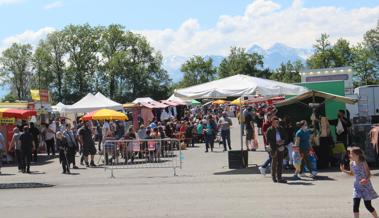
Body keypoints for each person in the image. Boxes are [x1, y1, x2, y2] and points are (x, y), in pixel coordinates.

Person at [340, 147, 378, 218]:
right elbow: (352, 173)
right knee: (355, 205)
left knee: (368, 205)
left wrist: (365, 179)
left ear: (357, 155)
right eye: (350, 154)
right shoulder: (351, 163)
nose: (350, 155)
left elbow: (369, 174)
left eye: (352, 154)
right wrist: (344, 170)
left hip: (366, 186)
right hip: (357, 186)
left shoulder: (363, 162)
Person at [266, 117, 287, 183]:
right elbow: (268, 140)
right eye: (275, 122)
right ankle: (273, 177)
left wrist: (283, 141)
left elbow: (285, 136)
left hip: (281, 147)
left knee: (280, 163)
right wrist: (276, 143)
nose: (277, 123)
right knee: (274, 163)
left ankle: (279, 177)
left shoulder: (281, 128)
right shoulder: (269, 129)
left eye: (277, 122)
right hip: (274, 148)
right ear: (272, 122)